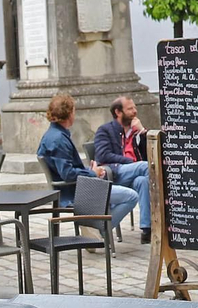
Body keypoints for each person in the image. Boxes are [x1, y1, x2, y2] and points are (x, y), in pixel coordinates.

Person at [37, 93, 138, 232]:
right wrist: (92, 173)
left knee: (127, 186)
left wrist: (90, 171)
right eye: (73, 111)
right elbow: (67, 174)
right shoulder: (58, 140)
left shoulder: (53, 135)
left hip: (75, 188)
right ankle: (100, 229)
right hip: (75, 193)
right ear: (69, 113)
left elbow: (66, 169)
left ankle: (95, 223)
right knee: (131, 196)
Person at [92, 96, 153, 242]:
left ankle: (147, 230)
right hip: (115, 172)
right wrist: (130, 162)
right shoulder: (105, 130)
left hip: (133, 175)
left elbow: (149, 154)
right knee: (146, 167)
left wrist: (143, 132)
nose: (134, 111)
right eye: (130, 108)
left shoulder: (135, 131)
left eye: (134, 107)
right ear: (118, 112)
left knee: (143, 180)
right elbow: (102, 154)